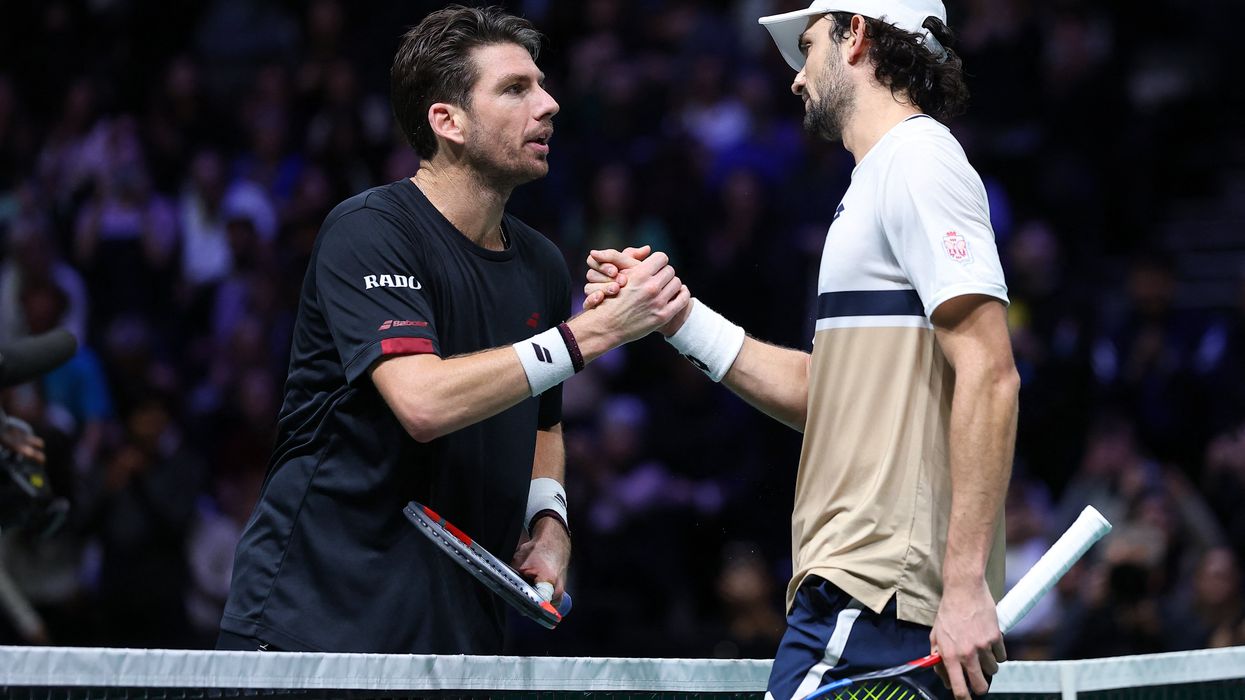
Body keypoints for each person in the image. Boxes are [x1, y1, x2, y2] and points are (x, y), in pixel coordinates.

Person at [219, 5, 688, 654]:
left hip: (457, 637)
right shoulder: (369, 232)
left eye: (542, 85)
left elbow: (543, 424)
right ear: (448, 122)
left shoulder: (541, 263)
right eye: (515, 89)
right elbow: (423, 401)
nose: (548, 104)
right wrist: (596, 332)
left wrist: (549, 523)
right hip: (318, 621)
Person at [584, 2, 1018, 698]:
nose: (795, 78)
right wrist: (677, 317)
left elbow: (991, 374)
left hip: (881, 590)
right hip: (860, 589)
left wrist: (964, 586)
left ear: (858, 38)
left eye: (808, 46)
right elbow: (832, 396)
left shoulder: (920, 160)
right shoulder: (876, 180)